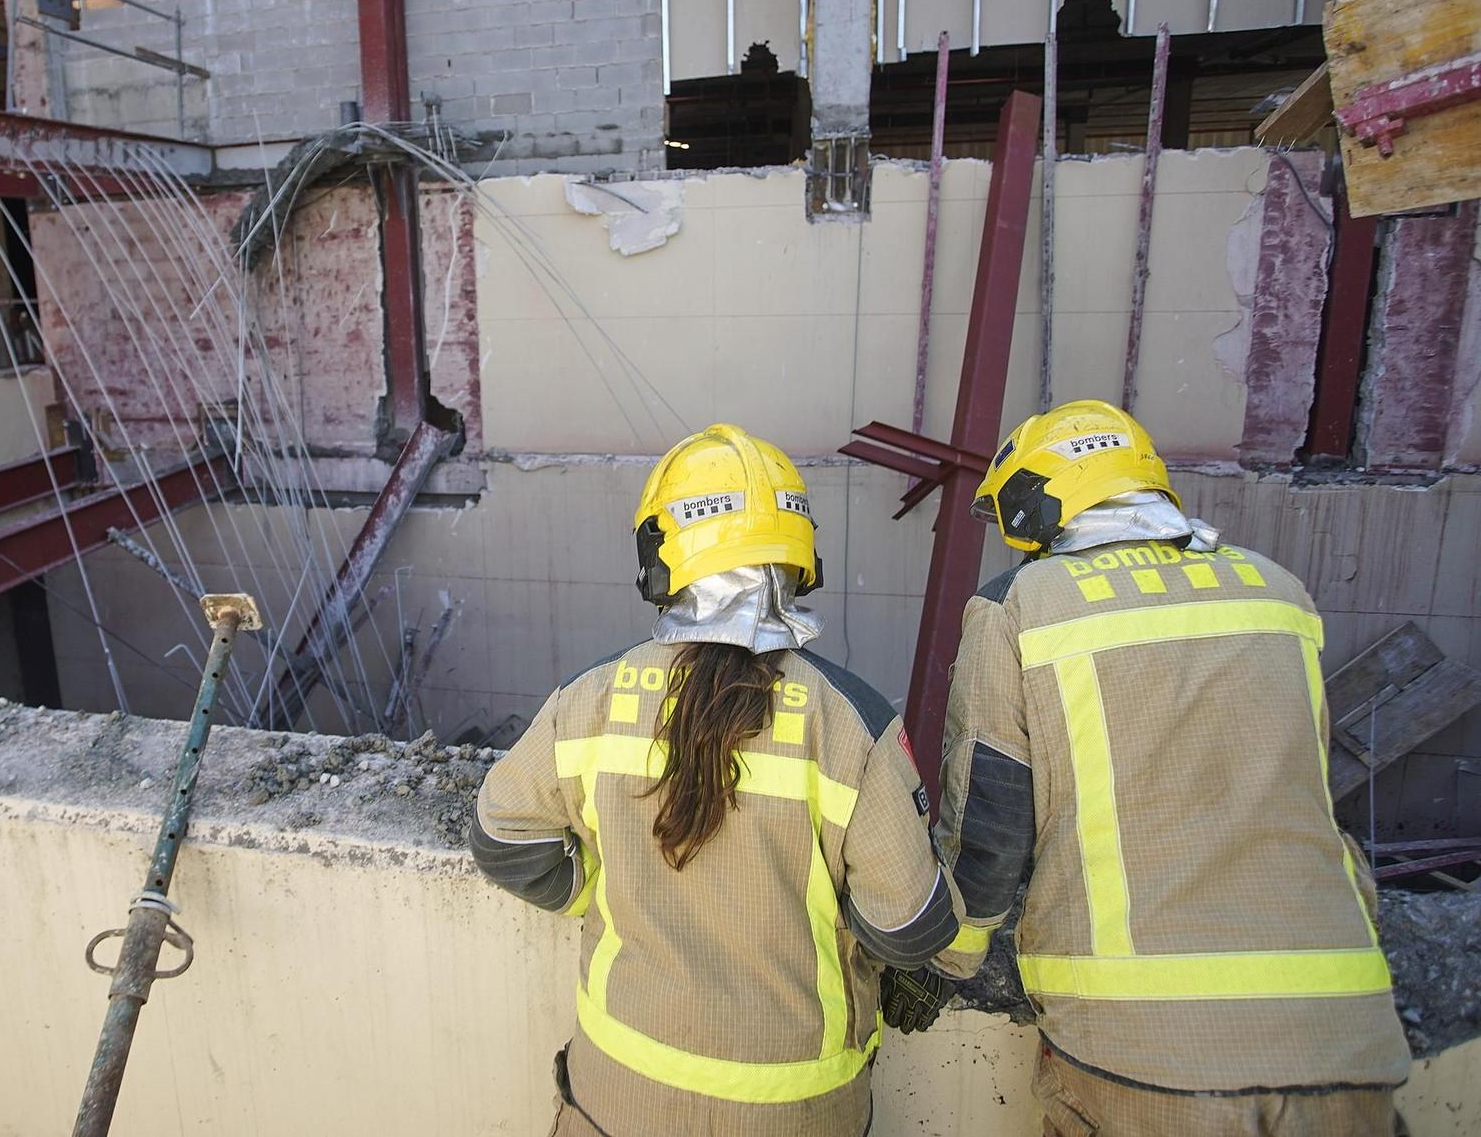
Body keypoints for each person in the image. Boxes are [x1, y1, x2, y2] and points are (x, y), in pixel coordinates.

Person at [924, 399, 1411, 1133]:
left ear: (1033, 506)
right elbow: (1308, 792)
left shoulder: (1026, 608)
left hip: (1144, 1050)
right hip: (1342, 1030)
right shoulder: (1280, 595)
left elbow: (991, 823)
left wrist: (945, 959)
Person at [471, 423, 961, 1137]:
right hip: (797, 1109)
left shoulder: (593, 697)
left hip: (619, 1093)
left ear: (659, 557)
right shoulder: (850, 721)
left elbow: (502, 835)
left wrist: (595, 884)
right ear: (800, 556)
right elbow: (909, 925)